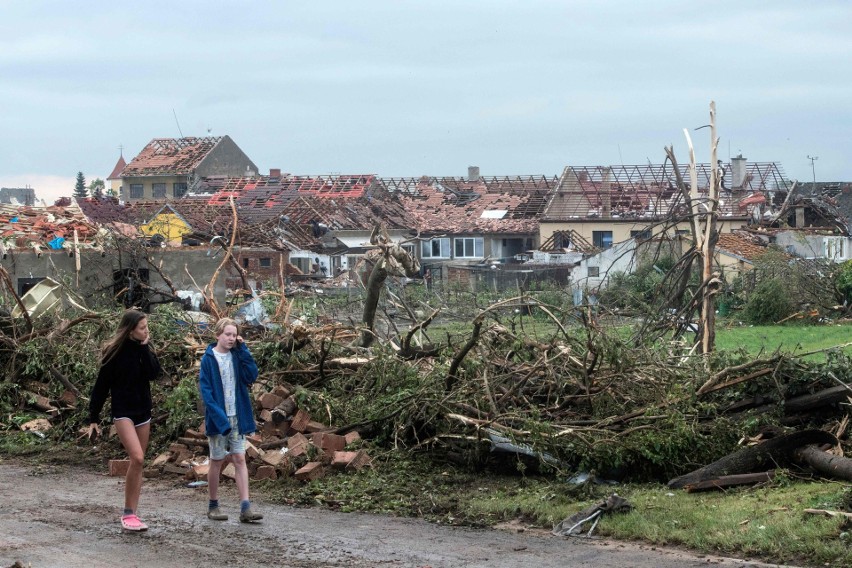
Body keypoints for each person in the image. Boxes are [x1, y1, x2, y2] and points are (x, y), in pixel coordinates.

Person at [86, 309, 161, 532]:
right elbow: (100, 387)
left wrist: (145, 347)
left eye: (147, 326)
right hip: (123, 412)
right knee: (136, 458)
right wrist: (93, 417)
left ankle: (133, 514)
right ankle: (127, 514)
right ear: (130, 330)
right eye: (142, 328)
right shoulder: (113, 353)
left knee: (138, 463)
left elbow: (154, 373)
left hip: (143, 411)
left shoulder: (143, 349)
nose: (146, 330)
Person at [198, 317, 263, 523]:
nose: (231, 338)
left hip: (238, 416)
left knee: (240, 459)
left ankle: (245, 507)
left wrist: (244, 350)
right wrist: (221, 420)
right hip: (218, 420)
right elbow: (207, 394)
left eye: (234, 335)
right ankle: (213, 505)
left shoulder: (237, 356)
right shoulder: (209, 359)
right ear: (218, 335)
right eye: (227, 334)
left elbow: (251, 375)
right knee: (217, 461)